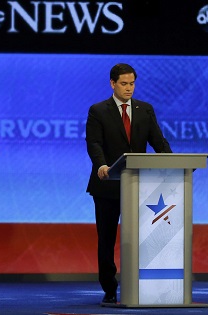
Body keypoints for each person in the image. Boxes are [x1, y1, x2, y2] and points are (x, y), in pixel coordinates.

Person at [85, 63, 172, 304]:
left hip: (140, 187)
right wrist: (101, 165)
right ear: (112, 83)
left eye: (132, 83)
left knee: (144, 237)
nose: (129, 88)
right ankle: (110, 288)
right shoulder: (98, 110)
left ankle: (144, 283)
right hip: (107, 185)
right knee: (107, 238)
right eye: (124, 84)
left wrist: (172, 163)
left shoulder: (145, 110)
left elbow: (158, 141)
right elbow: (94, 143)